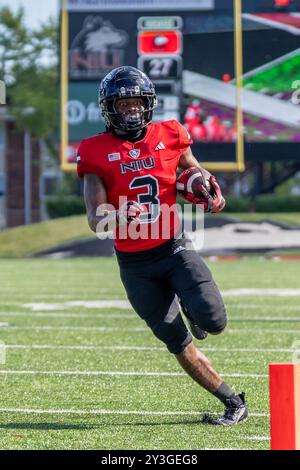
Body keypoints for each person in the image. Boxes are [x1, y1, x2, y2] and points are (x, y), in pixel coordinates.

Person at [77, 66, 248, 425]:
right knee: (177, 341)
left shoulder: (170, 133)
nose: (131, 111)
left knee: (214, 322)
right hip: (135, 266)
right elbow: (95, 217)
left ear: (149, 104)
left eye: (137, 103)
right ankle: (233, 402)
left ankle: (189, 302)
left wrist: (210, 193)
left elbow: (196, 173)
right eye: (123, 105)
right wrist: (120, 213)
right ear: (109, 109)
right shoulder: (94, 150)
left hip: (174, 249)